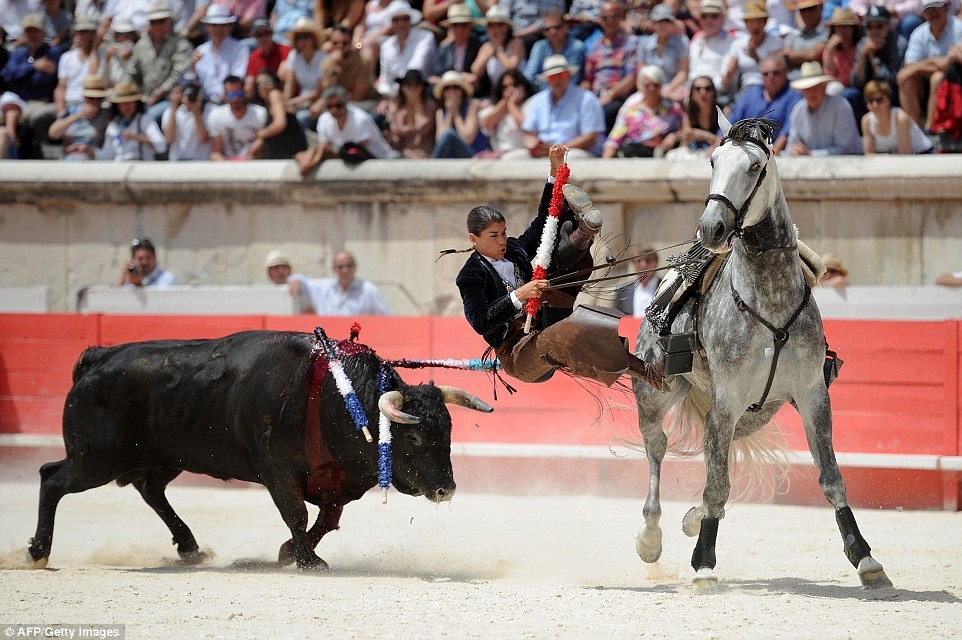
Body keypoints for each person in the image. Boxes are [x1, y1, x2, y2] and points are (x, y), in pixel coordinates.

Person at [455, 143, 663, 389]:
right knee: (565, 331)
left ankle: (582, 234)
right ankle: (647, 373)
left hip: (544, 320)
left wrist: (554, 172)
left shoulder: (513, 249)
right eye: (493, 236)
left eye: (503, 233)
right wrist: (518, 296)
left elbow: (544, 222)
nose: (502, 240)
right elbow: (481, 321)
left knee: (554, 256)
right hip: (517, 352)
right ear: (473, 239)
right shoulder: (470, 276)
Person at [511, 54, 606, 159]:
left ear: (568, 75)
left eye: (561, 75)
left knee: (570, 158)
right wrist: (533, 144)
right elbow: (529, 133)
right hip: (545, 152)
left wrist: (558, 149)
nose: (557, 80)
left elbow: (591, 137)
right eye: (552, 77)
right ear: (547, 80)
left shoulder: (586, 99)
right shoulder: (538, 100)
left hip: (575, 151)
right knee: (512, 158)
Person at [296, 84, 396, 174]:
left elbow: (358, 151)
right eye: (329, 106)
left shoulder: (360, 119)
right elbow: (324, 145)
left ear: (346, 102)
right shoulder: (324, 120)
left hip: (378, 161)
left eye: (338, 105)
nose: (334, 110)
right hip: (348, 162)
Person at [1, 13, 62, 158]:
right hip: (17, 100)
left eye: (36, 31)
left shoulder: (52, 52)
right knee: (11, 108)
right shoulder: (20, 53)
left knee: (34, 117)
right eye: (29, 31)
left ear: (44, 32)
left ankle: (43, 155)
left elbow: (41, 80)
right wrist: (33, 67)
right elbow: (6, 74)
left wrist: (23, 74)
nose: (33, 35)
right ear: (24, 33)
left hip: (40, 101)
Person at [127, 1, 194, 124]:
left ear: (170, 22)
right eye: (153, 22)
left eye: (161, 21)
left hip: (170, 99)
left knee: (148, 117)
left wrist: (159, 93)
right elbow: (132, 72)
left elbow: (179, 75)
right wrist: (128, 92)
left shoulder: (181, 45)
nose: (157, 26)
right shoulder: (142, 44)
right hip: (145, 98)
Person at [897, 0, 962, 128]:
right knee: (906, 79)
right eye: (928, 10)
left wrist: (921, 66)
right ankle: (914, 132)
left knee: (937, 78)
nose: (932, 13)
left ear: (946, 8)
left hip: (955, 84)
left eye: (936, 8)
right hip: (926, 84)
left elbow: (948, 65)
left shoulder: (959, 28)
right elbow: (909, 67)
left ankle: (930, 129)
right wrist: (934, 61)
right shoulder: (919, 33)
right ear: (923, 14)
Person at [581, 1, 640, 133]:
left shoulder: (631, 43)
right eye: (605, 17)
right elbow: (588, 79)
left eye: (614, 17)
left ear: (622, 18)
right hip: (597, 96)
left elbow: (631, 78)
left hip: (619, 95)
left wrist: (609, 95)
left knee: (605, 112)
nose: (609, 21)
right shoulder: (594, 46)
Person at [602, 65, 685, 158]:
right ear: (641, 86)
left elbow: (685, 130)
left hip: (661, 156)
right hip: (633, 156)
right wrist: (605, 162)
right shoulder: (631, 110)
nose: (651, 89)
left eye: (655, 85)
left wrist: (675, 136)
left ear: (661, 85)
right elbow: (614, 139)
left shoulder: (673, 108)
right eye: (647, 85)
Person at [728, 54, 802, 154]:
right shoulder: (750, 94)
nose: (770, 77)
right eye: (765, 74)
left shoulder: (794, 94)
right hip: (744, 152)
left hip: (776, 154)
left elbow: (788, 131)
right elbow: (732, 122)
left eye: (776, 73)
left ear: (785, 72)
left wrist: (770, 155)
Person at [787, 61, 863, 156]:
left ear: (824, 87)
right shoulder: (798, 110)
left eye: (816, 87)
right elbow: (792, 144)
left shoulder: (841, 106)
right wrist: (796, 151)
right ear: (802, 91)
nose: (812, 92)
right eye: (807, 88)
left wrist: (811, 154)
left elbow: (847, 148)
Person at [851, 6, 907, 124]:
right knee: (850, 95)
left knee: (885, 94)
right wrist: (863, 56)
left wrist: (874, 58)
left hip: (891, 94)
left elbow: (892, 81)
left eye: (879, 26)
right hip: (867, 92)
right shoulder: (863, 43)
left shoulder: (899, 44)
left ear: (888, 26)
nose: (874, 30)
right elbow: (856, 81)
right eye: (869, 26)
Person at [374, 3, 437, 100]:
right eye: (396, 20)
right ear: (392, 23)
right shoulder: (386, 46)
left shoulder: (425, 37)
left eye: (405, 19)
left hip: (422, 94)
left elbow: (416, 68)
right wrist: (387, 98)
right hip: (395, 97)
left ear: (411, 21)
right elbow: (385, 80)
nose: (401, 24)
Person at [722, 1, 783, 99]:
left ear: (765, 22)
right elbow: (730, 71)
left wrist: (755, 56)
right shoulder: (738, 44)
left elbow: (776, 72)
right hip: (744, 90)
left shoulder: (775, 43)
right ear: (746, 24)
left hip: (768, 90)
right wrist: (727, 77)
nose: (756, 26)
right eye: (752, 21)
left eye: (759, 21)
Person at [94, 80, 168, 160]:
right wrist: (89, 150)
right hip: (119, 166)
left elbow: (161, 146)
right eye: (123, 103)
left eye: (130, 102)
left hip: (141, 165)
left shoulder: (144, 119)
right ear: (117, 105)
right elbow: (106, 155)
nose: (127, 107)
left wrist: (137, 137)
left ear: (136, 103)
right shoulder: (113, 124)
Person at [303, 250, 391, 315]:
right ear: (334, 269)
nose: (345, 270)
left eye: (349, 266)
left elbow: (387, 317)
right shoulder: (324, 288)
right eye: (340, 267)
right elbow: (303, 282)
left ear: (355, 267)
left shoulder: (369, 290)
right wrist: (295, 279)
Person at [191, 4, 248, 104]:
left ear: (230, 26)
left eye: (223, 25)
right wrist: (192, 68)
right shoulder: (201, 50)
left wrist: (222, 97)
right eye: (213, 25)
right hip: (203, 102)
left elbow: (237, 78)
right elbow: (196, 80)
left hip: (229, 101)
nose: (218, 29)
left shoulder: (240, 48)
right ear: (206, 26)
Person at [47, 74, 111, 159]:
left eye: (99, 98)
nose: (95, 102)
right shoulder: (72, 109)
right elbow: (53, 133)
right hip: (69, 157)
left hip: (93, 158)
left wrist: (87, 149)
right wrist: (79, 115)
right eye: (91, 98)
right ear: (84, 98)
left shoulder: (107, 113)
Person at [860, 80, 934, 154]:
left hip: (923, 155)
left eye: (879, 100)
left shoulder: (900, 118)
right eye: (870, 100)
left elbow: (904, 154)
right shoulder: (866, 121)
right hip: (895, 158)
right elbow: (869, 154)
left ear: (888, 100)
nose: (875, 104)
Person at [522, 8, 587, 92]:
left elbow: (572, 79)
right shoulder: (539, 46)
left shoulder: (577, 47)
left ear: (566, 26)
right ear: (543, 32)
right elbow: (529, 76)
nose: (552, 31)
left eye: (557, 27)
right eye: (547, 29)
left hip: (569, 96)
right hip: (542, 95)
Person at [636, 4, 690, 103]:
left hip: (674, 88)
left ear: (673, 23)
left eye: (667, 21)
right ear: (653, 24)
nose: (663, 25)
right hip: (649, 89)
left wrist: (668, 90)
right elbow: (642, 74)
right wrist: (650, 92)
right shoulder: (643, 43)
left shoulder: (682, 42)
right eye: (659, 21)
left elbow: (682, 73)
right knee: (628, 109)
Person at [249, 68, 307, 159]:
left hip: (290, 153)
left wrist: (261, 134)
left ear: (275, 83)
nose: (263, 86)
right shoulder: (268, 106)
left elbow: (280, 124)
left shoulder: (275, 94)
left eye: (267, 82)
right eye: (259, 85)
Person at [317, 24, 378, 110]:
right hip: (339, 106)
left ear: (351, 43)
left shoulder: (364, 61)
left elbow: (358, 96)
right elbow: (329, 92)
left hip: (365, 103)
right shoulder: (327, 63)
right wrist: (333, 66)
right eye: (335, 43)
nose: (340, 46)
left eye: (344, 43)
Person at [470, 4, 524, 99]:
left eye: (500, 25)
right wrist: (490, 52)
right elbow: (475, 70)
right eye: (491, 25)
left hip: (517, 94)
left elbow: (511, 69)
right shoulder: (486, 46)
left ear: (507, 27)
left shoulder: (516, 42)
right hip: (497, 95)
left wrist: (498, 50)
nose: (495, 29)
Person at [207, 74, 266, 160]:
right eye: (231, 95)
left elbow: (262, 144)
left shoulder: (260, 113)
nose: (235, 99)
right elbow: (216, 152)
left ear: (244, 92)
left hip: (253, 162)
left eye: (238, 94)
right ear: (225, 96)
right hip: (227, 163)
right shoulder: (216, 116)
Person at [687, 0, 735, 105]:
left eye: (714, 16)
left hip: (716, 96)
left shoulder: (731, 43)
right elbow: (689, 71)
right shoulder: (696, 41)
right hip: (691, 93)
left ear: (723, 18)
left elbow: (724, 81)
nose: (709, 20)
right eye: (704, 16)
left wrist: (701, 89)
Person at [281, 16, 325, 129]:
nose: (302, 42)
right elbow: (289, 85)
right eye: (298, 38)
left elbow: (318, 93)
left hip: (320, 103)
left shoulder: (324, 58)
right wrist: (285, 102)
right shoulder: (294, 56)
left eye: (306, 37)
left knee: (300, 118)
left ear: (313, 38)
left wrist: (292, 102)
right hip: (302, 102)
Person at [478, 68, 533, 157]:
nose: (510, 89)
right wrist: (505, 103)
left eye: (515, 85)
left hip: (521, 153)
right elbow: (486, 123)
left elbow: (526, 127)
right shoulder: (497, 107)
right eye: (505, 87)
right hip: (499, 154)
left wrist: (512, 105)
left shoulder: (531, 104)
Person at [662, 74, 722, 156]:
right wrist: (675, 137)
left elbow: (725, 140)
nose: (703, 92)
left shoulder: (723, 111)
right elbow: (684, 144)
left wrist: (703, 135)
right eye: (698, 89)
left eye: (707, 88)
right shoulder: (689, 113)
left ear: (713, 92)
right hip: (696, 153)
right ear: (692, 93)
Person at [432, 69, 487, 158]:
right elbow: (440, 141)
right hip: (450, 160)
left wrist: (456, 113)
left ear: (462, 91)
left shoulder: (471, 107)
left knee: (449, 133)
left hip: (471, 157)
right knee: (447, 134)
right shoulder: (440, 113)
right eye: (447, 89)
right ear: (443, 93)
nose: (451, 92)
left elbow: (467, 139)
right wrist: (450, 113)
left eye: (455, 88)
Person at [384, 68, 437, 158]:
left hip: (426, 155)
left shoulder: (430, 107)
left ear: (423, 88)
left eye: (417, 84)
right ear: (402, 88)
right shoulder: (395, 109)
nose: (413, 88)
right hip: (403, 156)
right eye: (408, 84)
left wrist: (417, 104)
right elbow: (395, 139)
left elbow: (423, 127)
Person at [53, 17, 100, 117]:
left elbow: (93, 77)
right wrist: (61, 107)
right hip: (70, 104)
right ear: (76, 35)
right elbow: (61, 87)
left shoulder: (103, 56)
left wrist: (94, 49)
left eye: (90, 32)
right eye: (82, 32)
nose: (87, 36)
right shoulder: (66, 57)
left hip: (93, 105)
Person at [161, 71, 212, 160]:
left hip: (200, 162)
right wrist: (173, 108)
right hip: (177, 161)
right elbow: (169, 139)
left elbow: (203, 139)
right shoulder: (170, 111)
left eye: (194, 89)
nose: (190, 93)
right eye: (187, 89)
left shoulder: (209, 110)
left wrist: (196, 111)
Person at [429, 4, 482, 88]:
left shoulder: (478, 46)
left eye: (464, 25)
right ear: (450, 27)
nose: (459, 29)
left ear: (470, 27)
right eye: (456, 25)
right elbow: (437, 73)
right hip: (447, 89)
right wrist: (458, 77)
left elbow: (477, 78)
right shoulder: (444, 48)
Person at [782, 0, 829, 82]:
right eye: (803, 10)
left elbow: (814, 55)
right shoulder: (793, 35)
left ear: (821, 8)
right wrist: (806, 56)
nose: (807, 13)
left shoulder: (828, 31)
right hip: (792, 83)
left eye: (811, 8)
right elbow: (786, 57)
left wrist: (793, 56)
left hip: (816, 84)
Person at [244, 18, 290, 97]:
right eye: (259, 35)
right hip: (262, 97)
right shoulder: (254, 56)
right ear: (254, 37)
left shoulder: (286, 51)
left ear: (272, 33)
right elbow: (250, 79)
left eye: (266, 33)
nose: (263, 38)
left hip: (283, 93)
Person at [821, 7, 859, 95]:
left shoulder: (858, 47)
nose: (842, 31)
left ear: (853, 29)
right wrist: (830, 51)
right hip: (837, 88)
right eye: (839, 27)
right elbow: (829, 76)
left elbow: (855, 77)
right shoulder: (829, 48)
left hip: (855, 88)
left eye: (846, 27)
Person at [614, 245, 661, 317]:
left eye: (647, 260)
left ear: (656, 262)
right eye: (638, 261)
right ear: (633, 264)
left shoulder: (667, 288)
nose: (643, 264)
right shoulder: (623, 292)